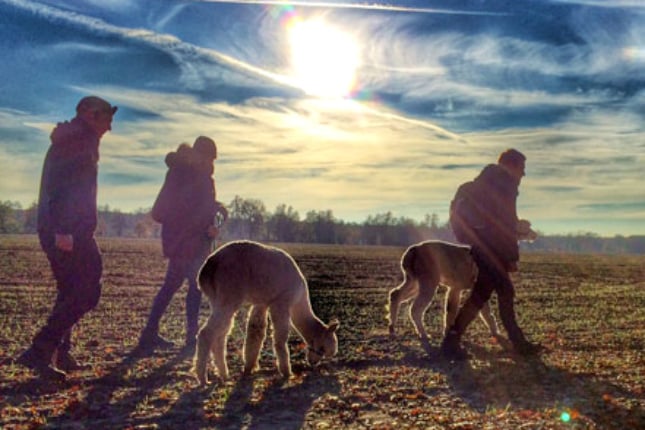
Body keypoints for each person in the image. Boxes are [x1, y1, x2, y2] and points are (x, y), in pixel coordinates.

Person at [17, 96, 117, 381]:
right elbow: (60, 185)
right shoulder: (75, 140)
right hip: (67, 230)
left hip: (70, 229)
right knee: (87, 291)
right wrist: (62, 229)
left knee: (70, 291)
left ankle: (60, 352)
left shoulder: (78, 138)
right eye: (106, 119)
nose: (109, 127)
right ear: (89, 114)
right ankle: (40, 350)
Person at [441, 148, 541, 360]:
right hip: (493, 250)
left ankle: (451, 340)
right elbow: (505, 224)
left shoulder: (480, 184)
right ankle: (519, 344)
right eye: (522, 168)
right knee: (505, 292)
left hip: (480, 247)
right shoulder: (504, 185)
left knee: (480, 295)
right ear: (511, 166)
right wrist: (511, 257)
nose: (523, 174)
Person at [135, 136, 227, 355]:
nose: (211, 163)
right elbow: (178, 209)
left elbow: (201, 206)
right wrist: (205, 225)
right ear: (202, 155)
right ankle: (191, 337)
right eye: (210, 158)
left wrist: (218, 215)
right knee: (193, 288)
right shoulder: (189, 175)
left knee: (172, 286)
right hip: (190, 241)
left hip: (183, 241)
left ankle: (152, 334)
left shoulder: (188, 173)